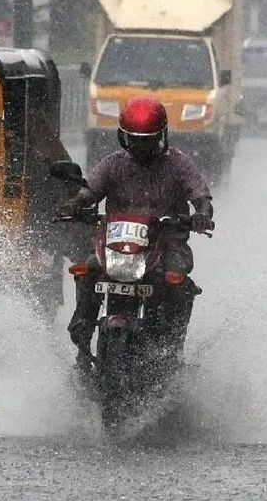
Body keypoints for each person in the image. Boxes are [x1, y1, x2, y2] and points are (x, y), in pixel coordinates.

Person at [56, 95, 215, 370]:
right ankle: (82, 334)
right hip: (116, 245)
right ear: (123, 137)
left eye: (148, 139)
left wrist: (202, 213)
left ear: (161, 136)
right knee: (88, 270)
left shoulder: (178, 164)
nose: (141, 146)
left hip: (166, 244)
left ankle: (172, 349)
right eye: (135, 139)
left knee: (178, 284)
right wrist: (74, 205)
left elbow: (200, 194)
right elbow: (89, 191)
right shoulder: (113, 163)